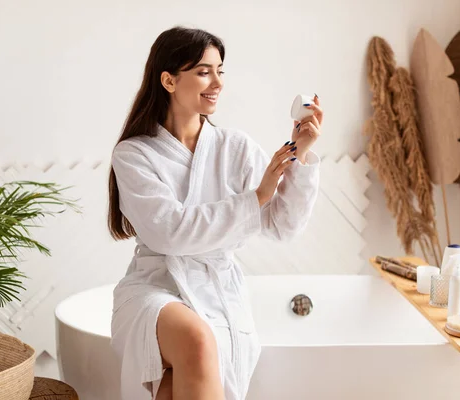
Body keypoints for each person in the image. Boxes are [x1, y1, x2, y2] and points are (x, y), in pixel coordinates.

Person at [108, 26, 322, 400]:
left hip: (217, 291)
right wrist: (255, 197)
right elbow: (168, 233)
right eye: (204, 71)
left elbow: (282, 227)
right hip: (155, 287)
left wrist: (300, 155)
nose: (217, 82)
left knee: (173, 385)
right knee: (197, 338)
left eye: (220, 71)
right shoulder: (134, 154)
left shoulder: (234, 146)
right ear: (169, 80)